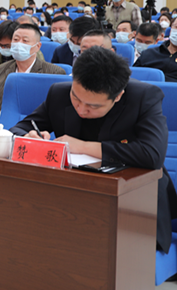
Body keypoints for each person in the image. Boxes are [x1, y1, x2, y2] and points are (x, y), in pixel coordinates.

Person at [11, 47, 176, 253]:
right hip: (75, 196)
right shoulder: (59, 93)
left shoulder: (144, 98)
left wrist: (83, 146)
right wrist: (29, 138)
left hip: (134, 202)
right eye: (76, 98)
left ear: (118, 96)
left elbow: (152, 155)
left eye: (93, 106)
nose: (81, 109)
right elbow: (18, 129)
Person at [0, 24, 64, 112]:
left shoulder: (55, 73)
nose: (19, 44)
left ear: (37, 46)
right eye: (16, 40)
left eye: (25, 41)